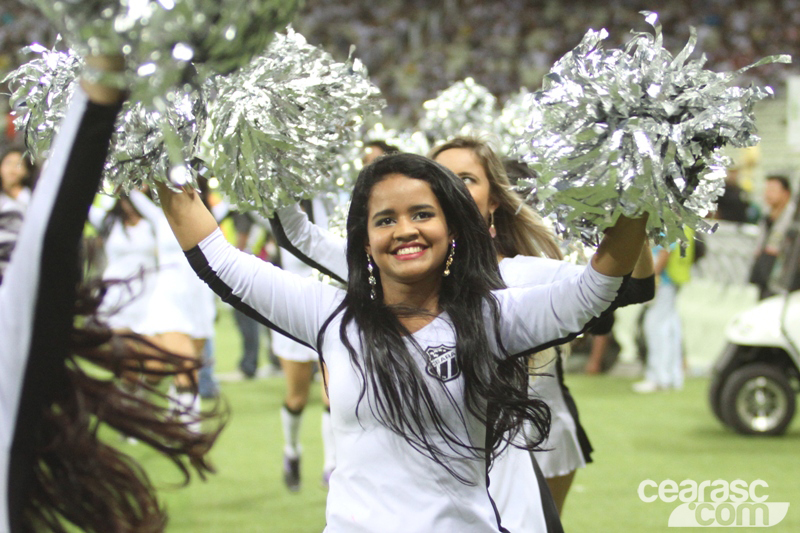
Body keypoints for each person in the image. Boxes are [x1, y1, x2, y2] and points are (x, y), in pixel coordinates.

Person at [158, 151, 647, 532]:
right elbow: (216, 258)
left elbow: (596, 288)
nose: (405, 230)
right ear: (365, 239)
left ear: (451, 229)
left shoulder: (495, 317)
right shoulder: (331, 318)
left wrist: (641, 179)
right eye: (385, 219)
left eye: (421, 214)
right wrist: (159, 153)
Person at [0, 57, 221, 532]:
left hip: (163, 285)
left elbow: (49, 238)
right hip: (128, 292)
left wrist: (102, 85)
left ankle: (187, 416)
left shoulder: (9, 352)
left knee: (182, 355)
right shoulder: (112, 221)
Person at [749, 175, 794, 299]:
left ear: (786, 193)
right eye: (766, 190)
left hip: (784, 277)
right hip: (765, 273)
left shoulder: (793, 221)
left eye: (773, 190)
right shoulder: (766, 216)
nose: (768, 194)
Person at [0, 144, 35, 284]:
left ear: (27, 171)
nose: (12, 170)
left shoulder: (31, 200)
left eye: (18, 164)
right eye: (8, 163)